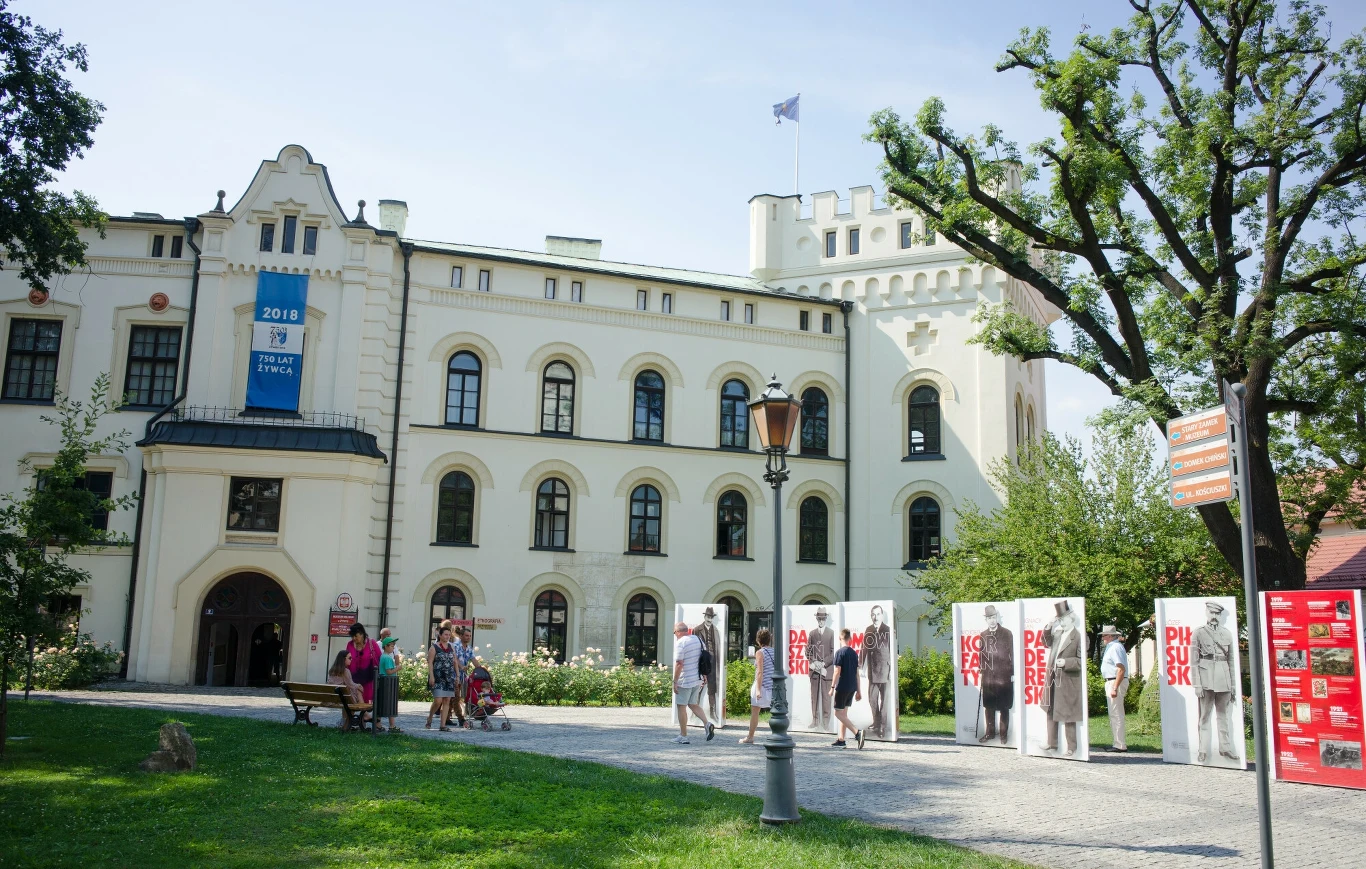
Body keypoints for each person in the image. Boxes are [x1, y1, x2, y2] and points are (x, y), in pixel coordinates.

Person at [1191, 601, 1238, 763]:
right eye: (1211, 613)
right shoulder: (1198, 633)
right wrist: (1197, 684)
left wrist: (1232, 686)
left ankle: (1225, 748)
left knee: (1223, 716)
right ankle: (1203, 749)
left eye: (1217, 614)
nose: (1214, 617)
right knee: (1204, 716)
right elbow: (1194, 661)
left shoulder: (1227, 634)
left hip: (1223, 678)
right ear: (1206, 613)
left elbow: (1231, 662)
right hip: (1206, 678)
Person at [1041, 601, 1084, 756]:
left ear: (1071, 618)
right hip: (1053, 678)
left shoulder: (1079, 636)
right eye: (1059, 619)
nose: (1061, 621)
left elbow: (1081, 661)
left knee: (1068, 713)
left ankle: (1071, 747)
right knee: (1050, 709)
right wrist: (1049, 626)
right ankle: (1051, 743)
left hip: (1067, 680)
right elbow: (1045, 642)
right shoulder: (1058, 633)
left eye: (1063, 618)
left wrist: (1066, 662)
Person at [671, 621, 713, 744]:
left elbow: (679, 664)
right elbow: (703, 658)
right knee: (693, 704)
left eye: (674, 632)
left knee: (681, 707)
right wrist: (704, 675)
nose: (675, 635)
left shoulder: (680, 643)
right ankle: (707, 723)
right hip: (697, 678)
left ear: (678, 632)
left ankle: (683, 736)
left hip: (685, 680)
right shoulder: (697, 639)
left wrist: (675, 681)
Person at [979, 604, 1014, 744]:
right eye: (989, 618)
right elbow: (981, 655)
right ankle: (990, 733)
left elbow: (1012, 654)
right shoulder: (983, 635)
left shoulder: (1007, 633)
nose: (992, 620)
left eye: (993, 617)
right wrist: (980, 667)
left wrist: (1011, 673)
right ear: (986, 620)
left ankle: (1003, 735)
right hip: (988, 677)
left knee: (1004, 707)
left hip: (1003, 676)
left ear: (997, 617)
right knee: (989, 707)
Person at [860, 605, 893, 738]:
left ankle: (882, 727)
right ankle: (876, 721)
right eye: (873, 614)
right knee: (872, 699)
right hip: (872, 670)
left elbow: (893, 650)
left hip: (885, 670)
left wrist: (892, 668)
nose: (875, 617)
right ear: (871, 615)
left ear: (882, 615)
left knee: (884, 701)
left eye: (878, 614)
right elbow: (864, 649)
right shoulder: (869, 629)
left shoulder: (888, 630)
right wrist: (860, 665)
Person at [829, 628, 865, 749]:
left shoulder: (840, 653)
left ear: (840, 638)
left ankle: (857, 733)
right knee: (843, 714)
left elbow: (837, 671)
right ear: (850, 639)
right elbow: (857, 674)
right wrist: (859, 691)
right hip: (852, 687)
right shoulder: (854, 653)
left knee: (837, 713)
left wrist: (832, 687)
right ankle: (841, 739)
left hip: (842, 686)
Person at [739, 628, 774, 744]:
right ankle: (776, 735)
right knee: (774, 712)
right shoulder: (774, 651)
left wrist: (758, 690)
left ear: (758, 641)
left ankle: (750, 737)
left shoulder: (760, 653)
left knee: (755, 712)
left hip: (763, 686)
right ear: (770, 640)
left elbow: (760, 672)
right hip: (772, 686)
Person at [805, 607, 835, 730]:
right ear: (816, 618)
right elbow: (808, 651)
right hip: (814, 671)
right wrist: (814, 661)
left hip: (826, 670)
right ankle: (815, 720)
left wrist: (823, 663)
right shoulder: (812, 633)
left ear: (826, 619)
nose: (821, 621)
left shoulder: (831, 633)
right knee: (814, 696)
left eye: (823, 618)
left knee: (826, 698)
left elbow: (833, 653)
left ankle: (826, 723)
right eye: (819, 618)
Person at [1100, 625, 1128, 753]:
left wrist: (1115, 687)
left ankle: (1120, 744)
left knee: (1116, 714)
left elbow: (1121, 669)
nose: (1103, 637)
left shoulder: (1115, 647)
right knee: (1114, 714)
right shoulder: (1111, 647)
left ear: (1111, 636)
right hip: (1111, 681)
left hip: (1114, 681)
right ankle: (1118, 742)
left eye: (1104, 635)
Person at [693, 607, 722, 723]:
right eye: (708, 617)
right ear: (704, 617)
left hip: (713, 663)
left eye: (711, 617)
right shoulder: (697, 630)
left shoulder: (716, 631)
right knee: (699, 687)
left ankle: (712, 712)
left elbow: (718, 649)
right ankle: (695, 712)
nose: (709, 619)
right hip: (701, 662)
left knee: (712, 688)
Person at [427, 626, 458, 731]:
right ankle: (430, 717)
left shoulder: (451, 647)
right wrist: (431, 676)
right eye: (445, 634)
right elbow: (430, 662)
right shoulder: (434, 647)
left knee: (447, 700)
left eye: (449, 635)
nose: (447, 636)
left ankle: (443, 725)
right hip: (438, 676)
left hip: (449, 677)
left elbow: (454, 661)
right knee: (438, 700)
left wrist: (457, 675)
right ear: (440, 635)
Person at [327, 649, 367, 730]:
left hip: (332, 698)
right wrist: (359, 686)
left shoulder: (332, 670)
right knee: (357, 692)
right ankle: (364, 714)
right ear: (343, 659)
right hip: (342, 699)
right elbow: (351, 685)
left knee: (348, 696)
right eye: (350, 658)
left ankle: (347, 723)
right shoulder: (345, 671)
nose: (351, 660)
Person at [346, 623, 383, 711]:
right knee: (352, 700)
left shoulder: (371, 643)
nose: (354, 638)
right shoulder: (350, 644)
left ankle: (366, 719)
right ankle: (352, 721)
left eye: (356, 636)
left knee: (368, 701)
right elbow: (346, 659)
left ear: (362, 634)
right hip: (353, 678)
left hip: (368, 678)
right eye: (352, 636)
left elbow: (379, 658)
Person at [445, 626, 475, 728]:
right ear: (461, 636)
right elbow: (455, 659)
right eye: (466, 635)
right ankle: (461, 719)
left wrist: (481, 670)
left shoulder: (469, 648)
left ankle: (446, 718)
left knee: (451, 698)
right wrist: (461, 666)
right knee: (456, 698)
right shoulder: (455, 646)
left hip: (461, 677)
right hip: (452, 675)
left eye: (470, 636)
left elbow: (474, 659)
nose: (468, 637)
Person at [376, 635, 402, 733]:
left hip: (385, 682)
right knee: (390, 704)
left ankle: (378, 724)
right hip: (388, 683)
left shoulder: (384, 657)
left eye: (394, 646)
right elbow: (389, 671)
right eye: (391, 646)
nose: (393, 648)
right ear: (386, 646)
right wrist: (398, 668)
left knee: (382, 703)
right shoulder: (387, 658)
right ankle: (392, 725)